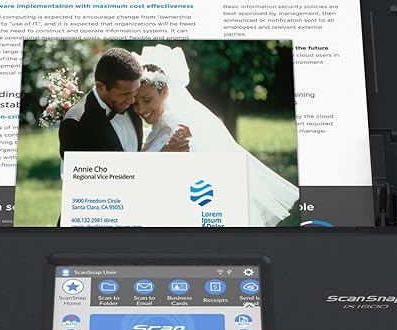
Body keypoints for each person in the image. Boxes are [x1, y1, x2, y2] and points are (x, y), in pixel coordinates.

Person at [134, 45, 299, 226]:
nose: (140, 108)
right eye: (135, 102)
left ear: (164, 92)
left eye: (147, 100)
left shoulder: (179, 133)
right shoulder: (155, 129)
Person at [58, 47, 187, 157]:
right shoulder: (75, 124)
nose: (132, 101)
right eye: (125, 94)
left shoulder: (131, 105)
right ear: (100, 87)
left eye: (134, 92)